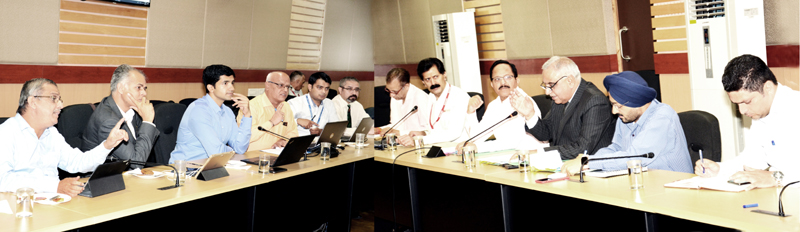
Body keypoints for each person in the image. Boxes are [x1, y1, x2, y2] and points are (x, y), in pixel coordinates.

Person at [0, 78, 128, 196]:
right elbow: (3, 180)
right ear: (33, 101)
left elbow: (78, 163)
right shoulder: (6, 133)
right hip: (20, 208)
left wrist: (107, 145)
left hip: (52, 204)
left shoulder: (51, 134)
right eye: (53, 98)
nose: (60, 105)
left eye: (60, 100)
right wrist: (54, 186)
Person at [695, 54, 800, 190]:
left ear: (767, 87)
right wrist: (720, 169)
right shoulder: (761, 112)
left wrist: (775, 177)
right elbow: (752, 160)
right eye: (737, 104)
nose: (742, 110)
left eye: (747, 102)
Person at [560, 71, 693, 174]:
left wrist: (588, 162)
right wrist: (588, 158)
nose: (614, 111)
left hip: (673, 190)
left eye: (618, 105)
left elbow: (636, 156)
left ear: (635, 101)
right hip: (644, 184)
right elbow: (616, 148)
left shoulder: (662, 117)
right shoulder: (626, 117)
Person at [510, 56, 615, 159]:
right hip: (563, 164)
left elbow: (582, 149)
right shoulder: (560, 98)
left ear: (569, 81)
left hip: (590, 169)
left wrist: (539, 153)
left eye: (551, 85)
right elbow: (547, 133)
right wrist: (530, 114)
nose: (547, 92)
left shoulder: (595, 102)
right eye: (545, 86)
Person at [82, 64, 159, 169]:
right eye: (138, 87)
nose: (144, 93)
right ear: (121, 88)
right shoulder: (107, 120)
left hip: (126, 176)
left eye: (145, 88)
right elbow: (136, 163)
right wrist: (148, 121)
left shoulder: (133, 110)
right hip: (102, 181)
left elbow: (145, 149)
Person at [170, 65, 251, 163]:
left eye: (232, 83)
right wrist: (233, 152)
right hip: (187, 170)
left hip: (212, 166)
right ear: (211, 88)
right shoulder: (199, 110)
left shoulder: (227, 112)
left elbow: (240, 148)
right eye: (225, 83)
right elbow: (216, 152)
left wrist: (247, 115)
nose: (232, 88)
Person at [457, 60, 543, 153]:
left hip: (527, 157)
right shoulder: (494, 105)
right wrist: (471, 112)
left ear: (517, 80)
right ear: (492, 84)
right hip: (507, 155)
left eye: (508, 77)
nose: (503, 82)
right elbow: (477, 137)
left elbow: (514, 142)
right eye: (497, 79)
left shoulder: (524, 103)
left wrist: (478, 148)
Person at [398, 58, 469, 146]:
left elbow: (453, 133)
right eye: (428, 79)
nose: (433, 83)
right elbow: (435, 129)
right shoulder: (431, 97)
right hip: (438, 147)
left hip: (458, 148)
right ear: (423, 82)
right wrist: (423, 133)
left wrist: (420, 140)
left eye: (436, 77)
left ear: (444, 75)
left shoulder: (459, 96)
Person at [238, 71, 298, 151]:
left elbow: (293, 133)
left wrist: (284, 140)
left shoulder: (285, 106)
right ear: (267, 85)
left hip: (277, 155)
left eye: (287, 87)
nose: (285, 90)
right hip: (253, 157)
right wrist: (271, 122)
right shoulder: (250, 107)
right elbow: (245, 138)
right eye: (280, 85)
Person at [374, 68, 429, 136]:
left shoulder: (421, 98)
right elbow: (396, 124)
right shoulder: (395, 96)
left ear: (406, 86)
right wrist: (379, 129)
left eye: (394, 91)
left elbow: (427, 131)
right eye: (388, 90)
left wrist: (399, 133)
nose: (391, 95)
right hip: (400, 141)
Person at [287, 72, 340, 136]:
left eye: (326, 88)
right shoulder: (295, 103)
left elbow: (335, 127)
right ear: (310, 87)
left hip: (321, 142)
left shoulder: (329, 103)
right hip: (300, 142)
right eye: (320, 87)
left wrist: (320, 132)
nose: (324, 92)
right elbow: (283, 124)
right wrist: (297, 121)